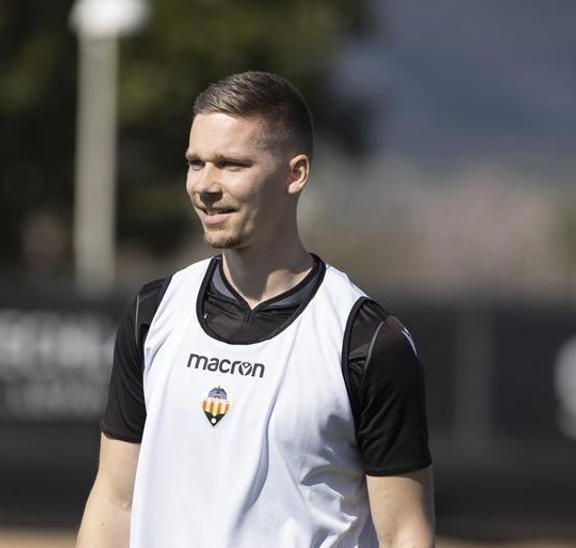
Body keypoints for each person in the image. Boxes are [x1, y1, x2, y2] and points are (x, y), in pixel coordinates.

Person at [76, 71, 435, 547]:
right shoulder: (153, 312)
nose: (205, 184)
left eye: (231, 164)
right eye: (195, 162)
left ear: (296, 173)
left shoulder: (368, 341)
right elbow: (116, 498)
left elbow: (404, 534)